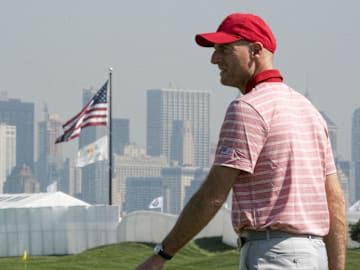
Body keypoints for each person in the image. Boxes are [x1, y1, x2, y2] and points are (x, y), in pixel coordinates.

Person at [135, 13, 347, 270]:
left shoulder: (247, 108)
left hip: (273, 253)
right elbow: (334, 199)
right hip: (314, 255)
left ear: (255, 50)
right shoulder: (309, 111)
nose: (214, 59)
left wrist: (161, 255)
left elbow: (212, 196)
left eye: (224, 49)